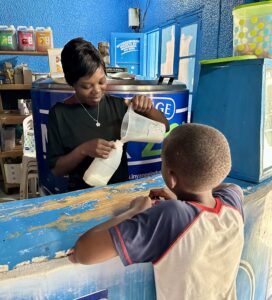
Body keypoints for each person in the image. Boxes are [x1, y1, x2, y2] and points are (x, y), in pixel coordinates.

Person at [68, 123, 244, 300]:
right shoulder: (232, 202)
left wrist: (135, 211)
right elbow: (226, 185)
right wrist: (184, 201)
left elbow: (84, 252)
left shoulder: (172, 216)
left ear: (171, 177)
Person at [47, 37, 169, 192]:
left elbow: (164, 127)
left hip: (120, 192)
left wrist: (148, 108)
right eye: (86, 86)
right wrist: (83, 150)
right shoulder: (59, 114)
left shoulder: (119, 106)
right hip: (81, 196)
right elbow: (57, 170)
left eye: (101, 81)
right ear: (72, 83)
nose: (97, 91)